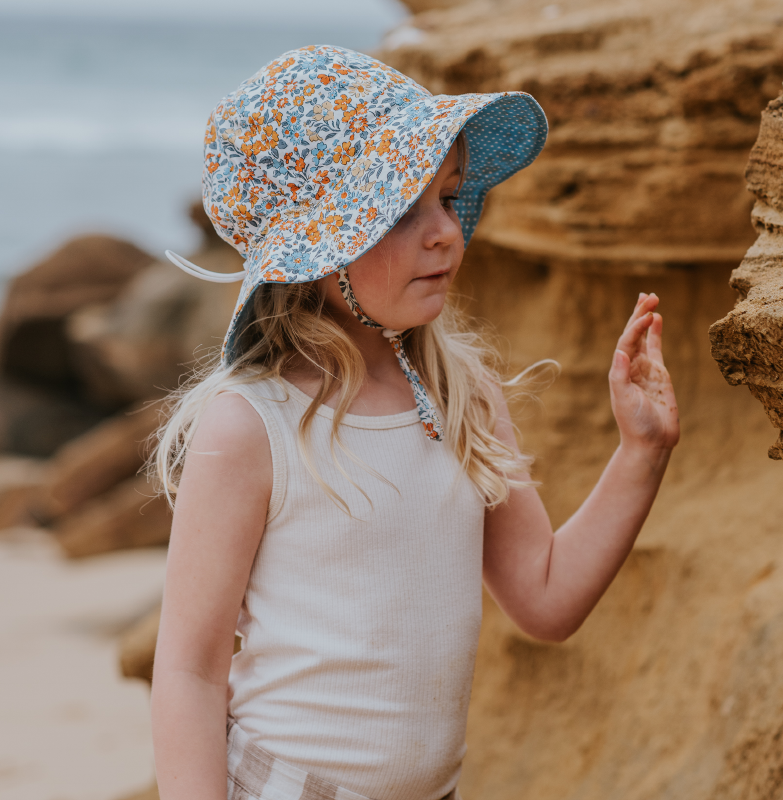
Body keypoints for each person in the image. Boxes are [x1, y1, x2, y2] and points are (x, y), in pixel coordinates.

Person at [148, 45, 679, 800]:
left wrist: (642, 452)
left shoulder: (462, 395)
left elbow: (546, 598)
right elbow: (190, 671)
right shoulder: (252, 425)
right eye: (401, 210)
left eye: (449, 198)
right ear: (317, 248)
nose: (447, 233)